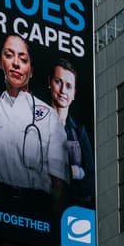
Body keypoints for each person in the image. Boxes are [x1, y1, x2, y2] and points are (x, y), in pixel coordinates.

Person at [0, 35, 68, 213]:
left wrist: (54, 226)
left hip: (36, 207)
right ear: (0, 62)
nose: (16, 63)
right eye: (9, 55)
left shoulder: (49, 117)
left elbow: (59, 182)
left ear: (31, 70)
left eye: (23, 59)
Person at [47, 60, 93, 204]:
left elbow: (89, 184)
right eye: (58, 82)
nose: (63, 91)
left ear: (74, 93)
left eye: (68, 86)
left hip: (71, 210)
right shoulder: (34, 121)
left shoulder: (79, 133)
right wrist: (75, 172)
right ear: (49, 82)